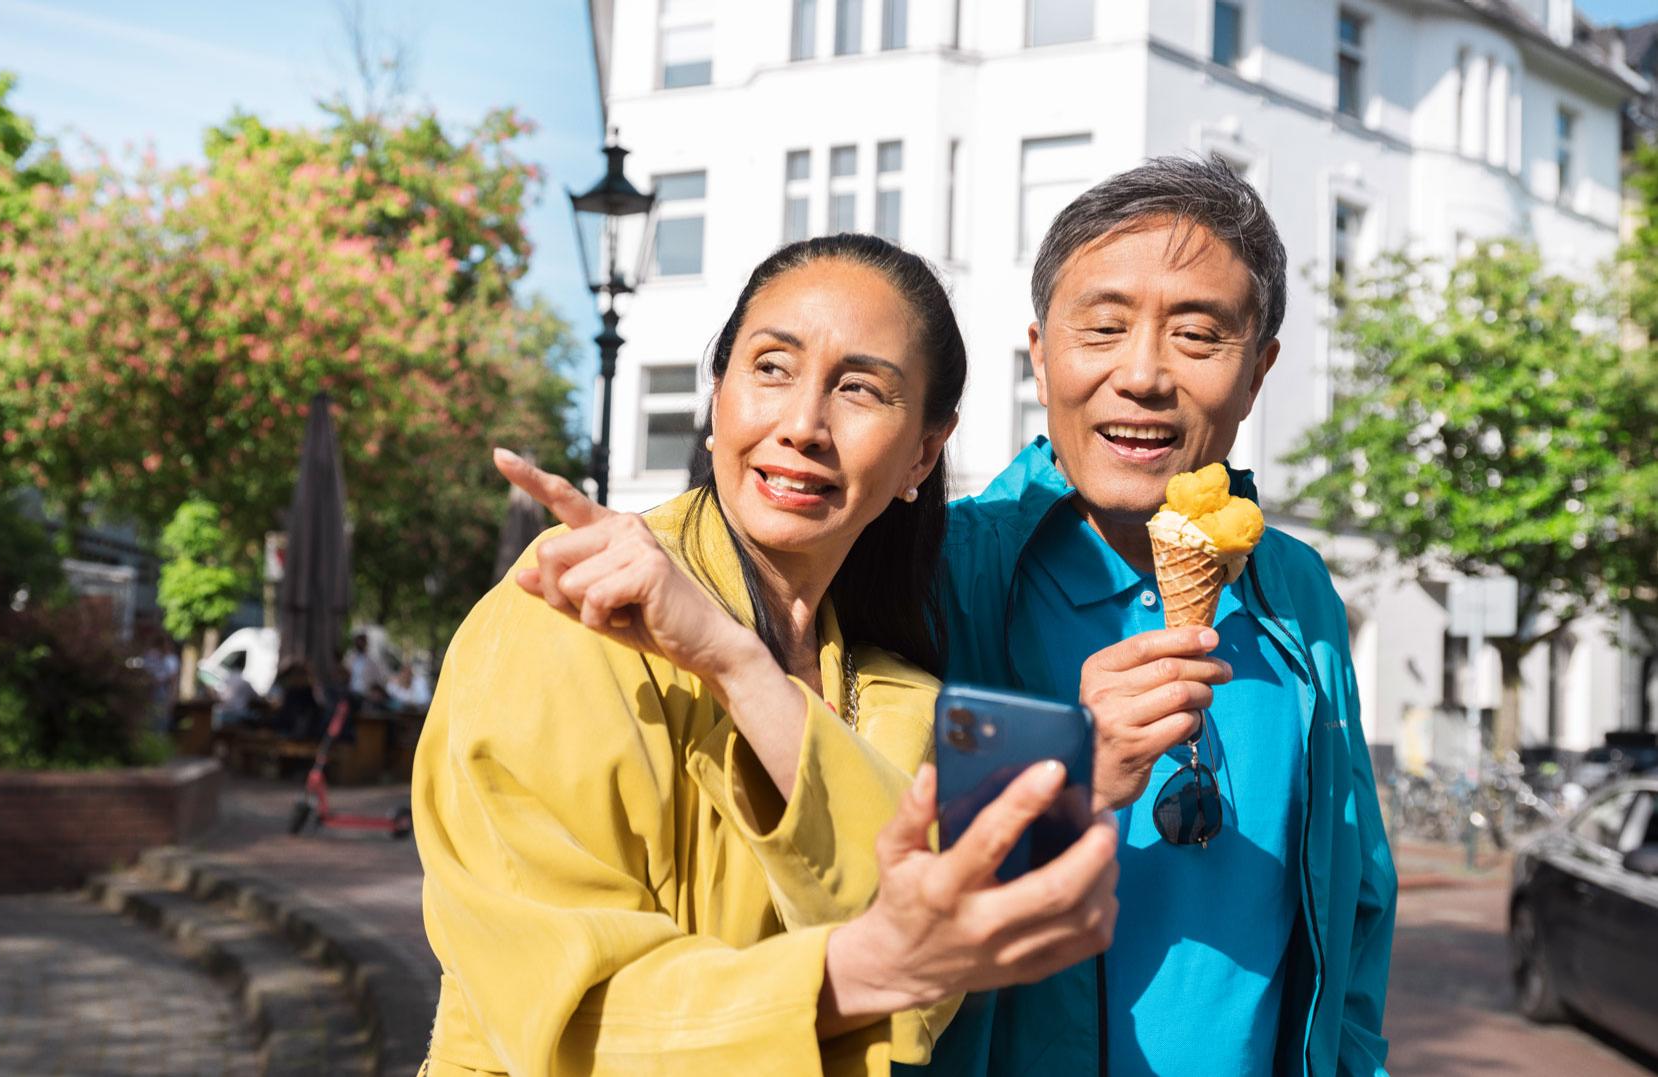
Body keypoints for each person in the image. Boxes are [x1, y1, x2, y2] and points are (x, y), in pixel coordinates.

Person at [414, 235, 1129, 1076]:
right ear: (716, 396)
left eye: (860, 389)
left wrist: (738, 664)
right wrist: (858, 970)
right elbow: (562, 1015)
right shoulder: (563, 615)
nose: (802, 426)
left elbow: (929, 974)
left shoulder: (895, 692)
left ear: (923, 453)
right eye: (771, 367)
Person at [915, 157, 1396, 1076]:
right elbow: (861, 889)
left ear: (1257, 374)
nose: (1142, 375)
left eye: (1197, 336)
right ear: (1040, 351)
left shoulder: (1299, 590)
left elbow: (1358, 898)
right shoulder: (939, 574)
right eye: (1101, 326)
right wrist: (1065, 777)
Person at [345, 633, 380, 701]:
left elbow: (377, 677)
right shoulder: (350, 657)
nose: (360, 644)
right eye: (358, 642)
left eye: (362, 642)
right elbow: (345, 673)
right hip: (351, 692)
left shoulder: (371, 659)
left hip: (366, 693)